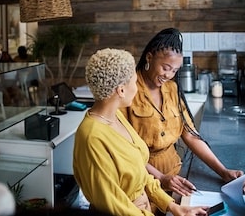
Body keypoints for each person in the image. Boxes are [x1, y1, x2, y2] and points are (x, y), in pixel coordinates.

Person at [73, 48, 208, 216]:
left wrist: (173, 207)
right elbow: (114, 205)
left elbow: (139, 172)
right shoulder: (91, 137)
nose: (137, 89)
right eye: (135, 82)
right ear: (121, 90)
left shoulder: (115, 117)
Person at [120, 28, 244, 210]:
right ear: (149, 57)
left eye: (174, 71)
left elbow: (191, 135)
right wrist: (160, 178)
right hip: (141, 181)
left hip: (175, 176)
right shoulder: (128, 89)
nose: (168, 75)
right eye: (165, 68)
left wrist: (223, 171)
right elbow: (124, 151)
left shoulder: (171, 89)